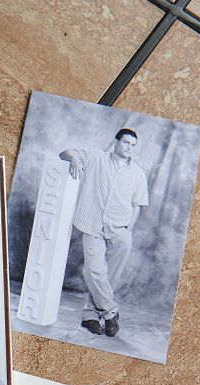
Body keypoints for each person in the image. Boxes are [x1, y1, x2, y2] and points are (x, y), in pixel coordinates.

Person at [59, 128, 149, 338]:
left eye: (133, 145)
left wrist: (129, 230)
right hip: (93, 226)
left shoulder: (137, 173)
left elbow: (137, 205)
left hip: (121, 230)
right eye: (126, 142)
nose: (129, 148)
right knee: (94, 271)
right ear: (116, 142)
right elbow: (65, 152)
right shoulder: (96, 158)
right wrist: (73, 158)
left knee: (109, 276)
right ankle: (110, 314)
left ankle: (90, 315)